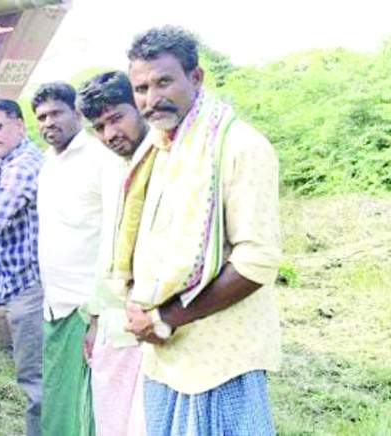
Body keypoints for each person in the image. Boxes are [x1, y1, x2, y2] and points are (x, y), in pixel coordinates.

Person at [113, 25, 283, 436]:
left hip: (221, 357)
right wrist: (143, 307)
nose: (151, 99)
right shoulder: (157, 149)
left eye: (163, 82)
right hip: (164, 357)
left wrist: (166, 318)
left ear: (196, 77)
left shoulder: (240, 146)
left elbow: (256, 263)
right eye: (141, 89)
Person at [32, 82, 113, 436]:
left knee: (86, 409)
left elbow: (112, 237)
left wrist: (98, 312)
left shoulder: (100, 158)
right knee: (59, 404)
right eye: (41, 117)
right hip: (55, 305)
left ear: (77, 113)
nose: (48, 122)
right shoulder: (49, 160)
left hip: (86, 306)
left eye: (56, 113)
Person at [76, 70, 152, 436]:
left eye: (116, 118)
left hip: (150, 326)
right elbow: (107, 248)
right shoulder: (111, 167)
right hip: (111, 324)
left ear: (140, 106)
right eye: (99, 127)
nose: (109, 134)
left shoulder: (167, 161)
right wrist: (94, 320)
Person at [0, 98, 45, 436]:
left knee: (36, 382)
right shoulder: (13, 162)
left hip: (30, 289)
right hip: (26, 287)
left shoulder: (22, 168)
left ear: (20, 124)